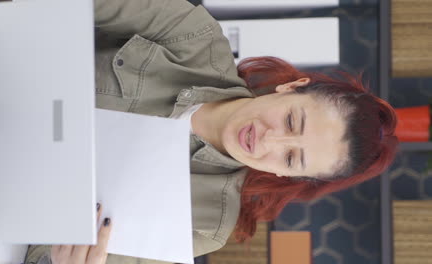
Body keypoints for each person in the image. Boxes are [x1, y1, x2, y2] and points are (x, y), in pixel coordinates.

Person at [24, 0, 398, 263]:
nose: (267, 140)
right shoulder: (194, 38)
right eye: (290, 121)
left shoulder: (206, 223)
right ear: (291, 88)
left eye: (290, 157)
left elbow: (29, 254)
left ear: (287, 176)